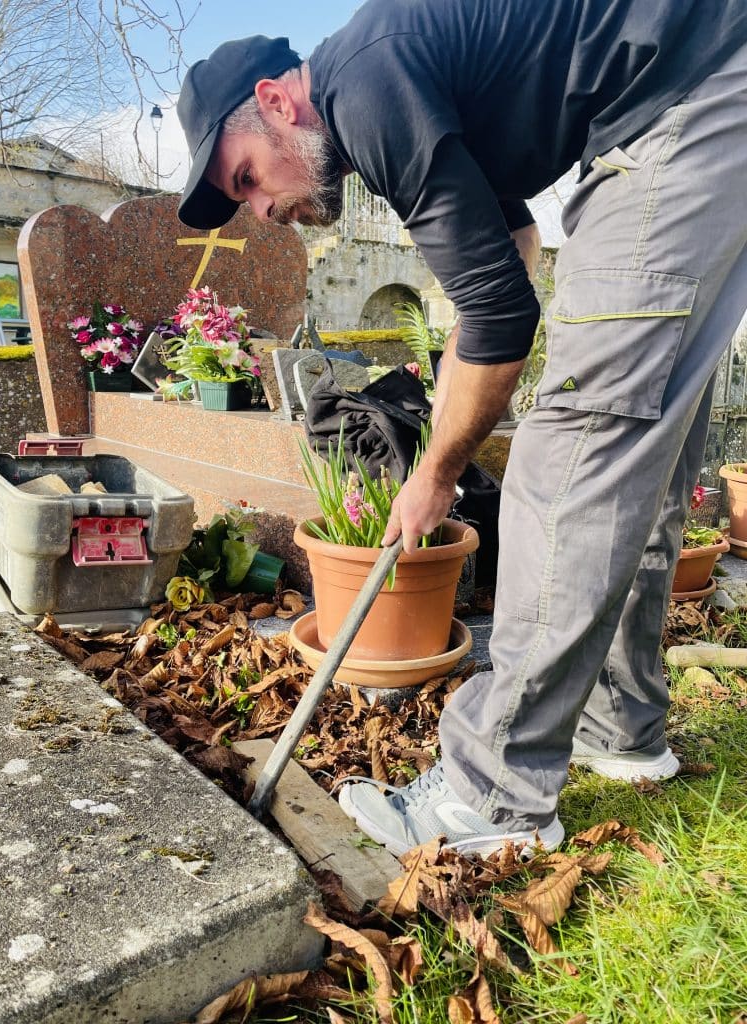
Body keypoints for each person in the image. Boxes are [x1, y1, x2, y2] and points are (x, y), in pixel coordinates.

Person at [177, 1, 747, 857]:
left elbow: (500, 313)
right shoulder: (390, 76)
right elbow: (512, 236)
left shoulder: (363, 92)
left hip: (683, 100)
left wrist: (436, 468)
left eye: (247, 178)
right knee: (636, 452)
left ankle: (495, 793)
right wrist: (457, 361)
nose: (258, 211)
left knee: (572, 452)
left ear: (277, 103)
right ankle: (618, 724)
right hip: (707, 85)